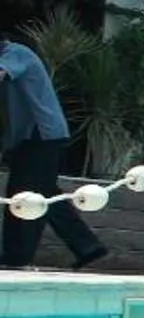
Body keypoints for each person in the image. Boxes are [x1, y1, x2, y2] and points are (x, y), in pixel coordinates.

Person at [0, 39, 106, 272]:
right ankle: (87, 246)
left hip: (41, 134)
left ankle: (17, 256)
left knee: (24, 194)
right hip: (34, 137)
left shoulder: (16, 53)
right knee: (44, 192)